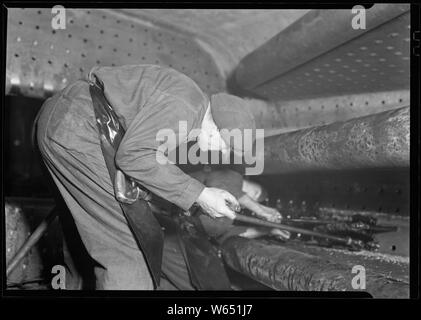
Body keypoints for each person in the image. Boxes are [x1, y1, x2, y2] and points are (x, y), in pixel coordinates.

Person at [36, 64, 257, 290]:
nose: (220, 153)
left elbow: (146, 158)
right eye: (225, 147)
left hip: (62, 119)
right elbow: (133, 156)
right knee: (130, 251)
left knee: (80, 237)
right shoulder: (186, 109)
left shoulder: (188, 99)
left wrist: (194, 195)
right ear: (216, 129)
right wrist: (199, 194)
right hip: (82, 128)